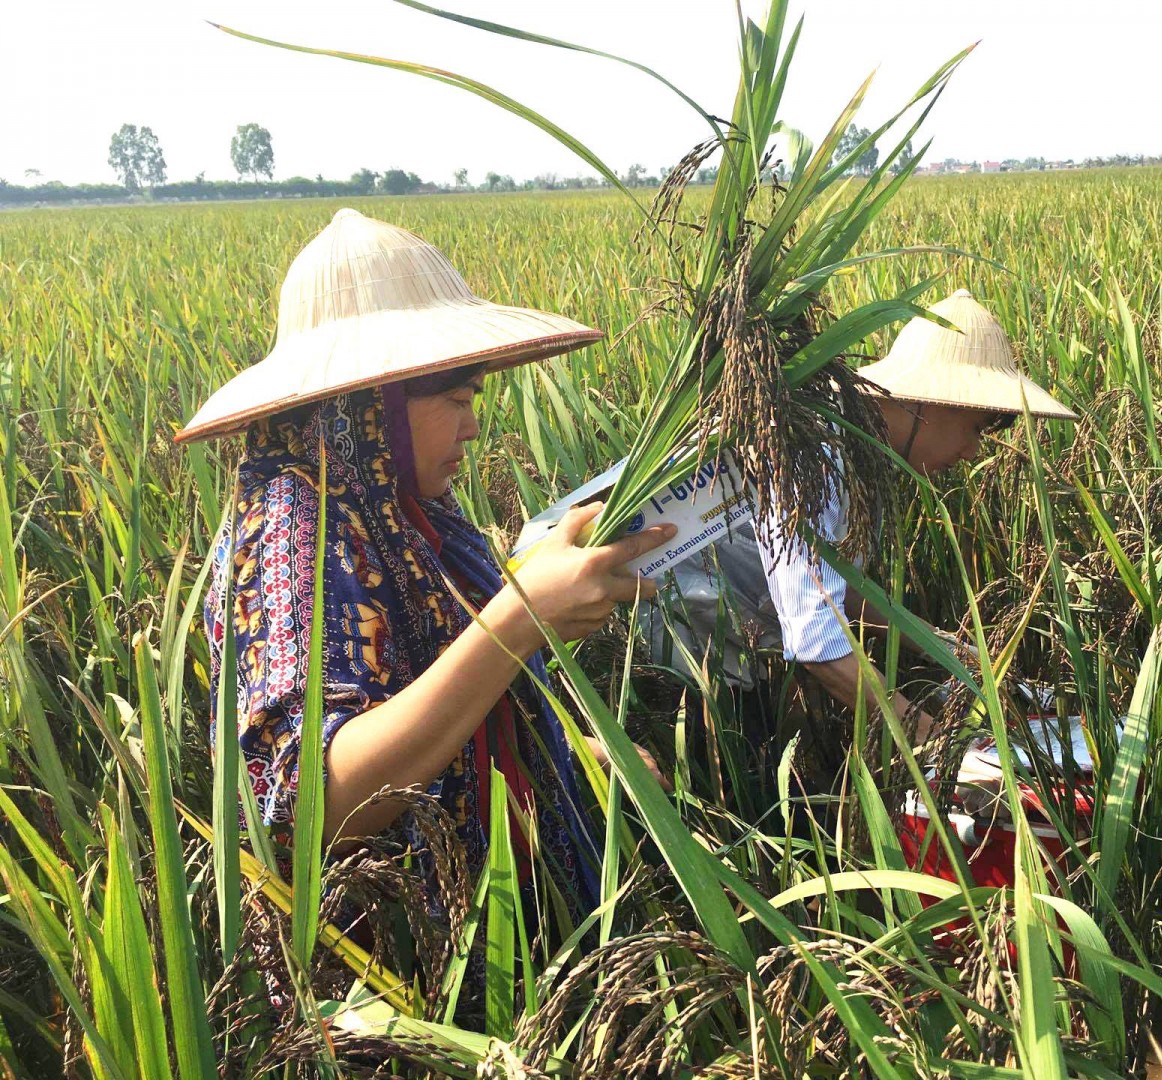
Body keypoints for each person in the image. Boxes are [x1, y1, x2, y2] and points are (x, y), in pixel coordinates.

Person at [182, 208, 673, 928]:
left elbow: (447, 688)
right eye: (456, 399)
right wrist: (520, 620)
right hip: (407, 983)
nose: (473, 425)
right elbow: (308, 803)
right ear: (373, 399)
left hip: (505, 934)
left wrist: (579, 753)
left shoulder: (401, 505)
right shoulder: (294, 527)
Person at [646, 288, 1078, 801]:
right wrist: (940, 746)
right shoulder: (816, 452)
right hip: (654, 655)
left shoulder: (858, 448)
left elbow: (838, 589)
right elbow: (819, 646)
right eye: (977, 427)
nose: (973, 450)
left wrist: (947, 650)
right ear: (929, 402)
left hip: (720, 647)